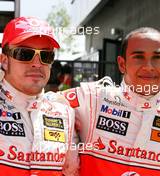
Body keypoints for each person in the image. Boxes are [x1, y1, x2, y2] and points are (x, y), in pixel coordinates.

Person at [62, 27, 160, 176]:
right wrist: (71, 158)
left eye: (157, 58)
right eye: (139, 57)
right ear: (122, 64)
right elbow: (47, 105)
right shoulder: (92, 98)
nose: (148, 66)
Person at [0, 17, 78, 176]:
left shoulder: (65, 112)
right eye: (24, 53)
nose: (37, 63)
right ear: (4, 61)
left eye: (46, 55)